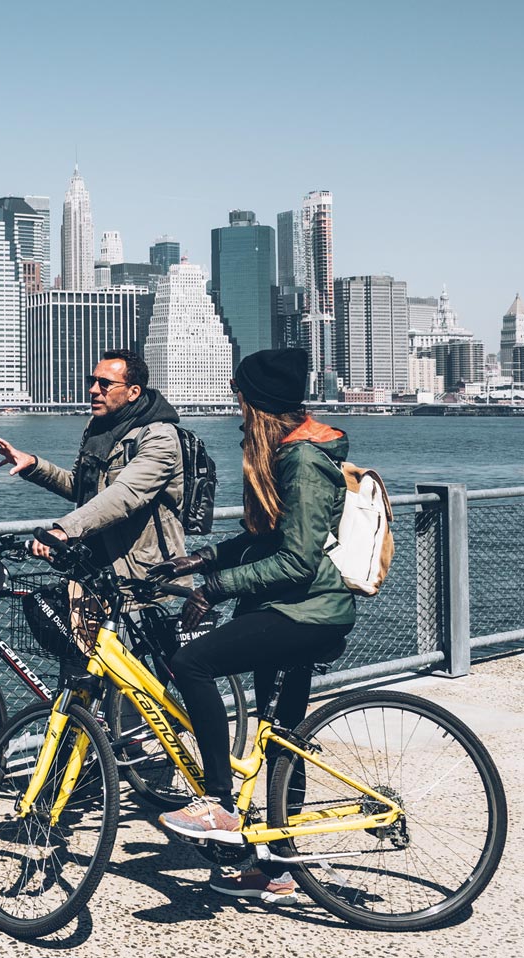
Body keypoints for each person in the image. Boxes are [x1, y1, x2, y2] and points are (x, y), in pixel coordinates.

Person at [152, 346, 356, 907]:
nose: (236, 410)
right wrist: (207, 559)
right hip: (287, 609)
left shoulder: (303, 461)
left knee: (192, 662)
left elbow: (297, 560)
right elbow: (268, 539)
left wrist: (214, 589)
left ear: (254, 402)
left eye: (239, 399)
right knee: (280, 741)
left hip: (305, 612)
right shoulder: (291, 453)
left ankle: (217, 801)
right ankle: (279, 869)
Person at [0, 349, 186, 585]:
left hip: (140, 574)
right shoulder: (98, 427)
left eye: (104, 384)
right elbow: (80, 488)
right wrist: (33, 465)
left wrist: (65, 529)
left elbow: (127, 495)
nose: (93, 390)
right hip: (90, 567)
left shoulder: (159, 436)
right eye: (92, 381)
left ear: (133, 392)